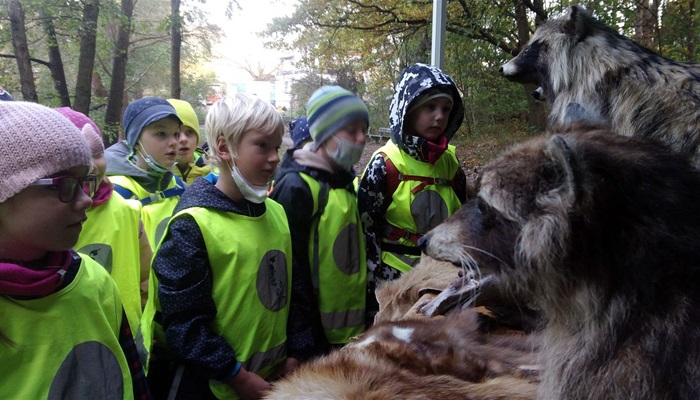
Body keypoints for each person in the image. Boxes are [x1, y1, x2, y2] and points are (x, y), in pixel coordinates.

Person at [0, 101, 149, 399]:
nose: (86, 200)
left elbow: (132, 381)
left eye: (85, 183)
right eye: (64, 184)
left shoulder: (92, 279)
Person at [152, 94, 297, 400]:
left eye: (277, 147)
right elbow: (183, 322)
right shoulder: (192, 225)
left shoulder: (277, 213)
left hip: (278, 379)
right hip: (216, 388)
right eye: (262, 145)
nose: (274, 158)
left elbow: (293, 292)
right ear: (223, 147)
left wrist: (296, 351)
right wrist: (235, 375)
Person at [358, 63, 468, 325]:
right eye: (430, 107)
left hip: (443, 276)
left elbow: (464, 219)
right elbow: (366, 233)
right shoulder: (384, 163)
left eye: (446, 108)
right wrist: (371, 294)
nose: (439, 116)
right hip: (394, 279)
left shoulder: (450, 162)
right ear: (407, 109)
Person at [269, 86, 368, 359]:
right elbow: (288, 268)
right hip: (313, 337)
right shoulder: (296, 186)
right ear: (324, 133)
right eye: (351, 130)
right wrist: (301, 339)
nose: (360, 139)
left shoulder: (343, 181)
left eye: (364, 130)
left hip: (349, 331)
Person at [104, 96, 184, 396]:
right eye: (160, 134)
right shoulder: (118, 192)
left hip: (174, 321)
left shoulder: (178, 186)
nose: (174, 143)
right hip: (138, 327)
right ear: (135, 139)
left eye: (176, 133)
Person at [57, 107, 153, 332]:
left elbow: (146, 275)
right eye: (78, 155)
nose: (90, 165)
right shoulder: (44, 218)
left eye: (96, 153)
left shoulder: (126, 210)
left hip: (125, 334)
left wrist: (145, 322)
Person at [168, 99, 211, 185]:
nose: (183, 139)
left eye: (189, 132)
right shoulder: (153, 179)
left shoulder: (212, 173)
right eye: (176, 133)